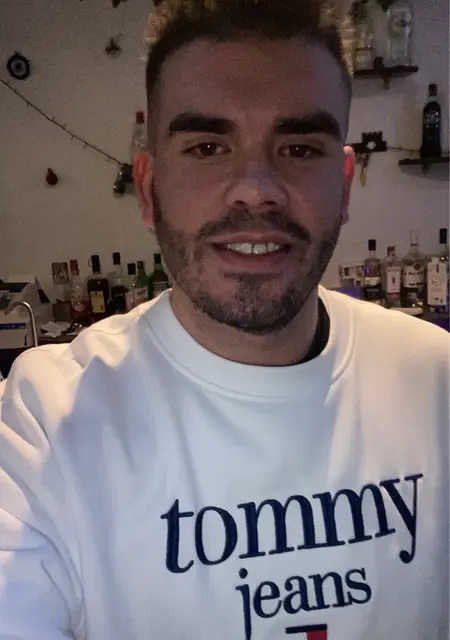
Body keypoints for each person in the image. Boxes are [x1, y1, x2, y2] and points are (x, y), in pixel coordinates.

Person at [0, 0, 448, 638]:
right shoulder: (46, 422)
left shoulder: (436, 381)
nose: (255, 187)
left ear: (345, 187)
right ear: (149, 189)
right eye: (208, 147)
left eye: (299, 147)